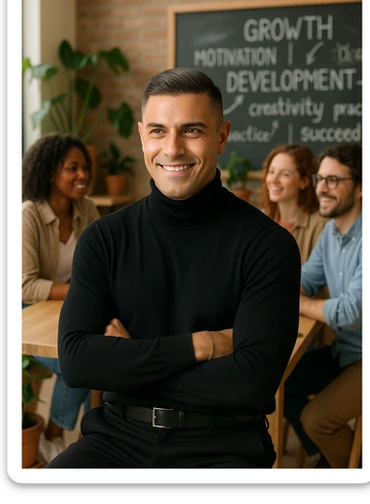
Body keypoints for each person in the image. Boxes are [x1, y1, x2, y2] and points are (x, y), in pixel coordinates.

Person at [45, 67, 301, 469]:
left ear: (221, 136)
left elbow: (251, 385)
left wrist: (127, 360)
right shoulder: (103, 238)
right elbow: (77, 361)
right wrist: (199, 346)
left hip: (223, 446)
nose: (174, 148)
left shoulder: (269, 245)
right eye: (159, 131)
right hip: (116, 440)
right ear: (143, 135)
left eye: (192, 130)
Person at [22, 133, 101, 463]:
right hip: (30, 313)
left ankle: (93, 440)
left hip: (70, 309)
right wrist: (81, 291)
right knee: (79, 362)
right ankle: (53, 436)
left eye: (85, 167)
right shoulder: (29, 214)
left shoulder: (88, 208)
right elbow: (24, 286)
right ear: (51, 172)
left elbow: (103, 266)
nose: (82, 175)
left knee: (100, 357)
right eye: (73, 168)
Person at [283, 142, 362, 468]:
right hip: (344, 350)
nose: (321, 188)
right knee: (277, 382)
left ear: (361, 188)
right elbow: (305, 281)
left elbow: (349, 310)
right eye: (320, 178)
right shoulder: (331, 231)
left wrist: (298, 302)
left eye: (333, 180)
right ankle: (324, 457)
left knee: (317, 419)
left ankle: (349, 467)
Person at [259, 144, 327, 265]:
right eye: (272, 171)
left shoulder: (321, 225)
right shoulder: (260, 218)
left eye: (285, 174)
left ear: (304, 181)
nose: (274, 180)